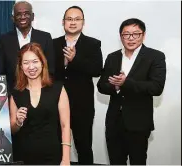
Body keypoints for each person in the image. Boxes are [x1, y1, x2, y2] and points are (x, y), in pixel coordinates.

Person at [97, 18, 166, 165]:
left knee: (138, 161)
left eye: (136, 34)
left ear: (143, 35)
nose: (131, 38)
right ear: (121, 36)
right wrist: (115, 86)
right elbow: (101, 86)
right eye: (126, 34)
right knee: (116, 161)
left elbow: (156, 87)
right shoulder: (112, 57)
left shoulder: (155, 57)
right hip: (114, 122)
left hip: (139, 123)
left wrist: (126, 83)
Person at [53, 6, 103, 164]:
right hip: (56, 103)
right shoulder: (53, 43)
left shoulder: (93, 44)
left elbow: (97, 70)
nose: (73, 22)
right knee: (56, 145)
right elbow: (48, 71)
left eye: (77, 19)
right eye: (69, 19)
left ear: (83, 22)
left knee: (84, 146)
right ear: (63, 22)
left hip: (83, 105)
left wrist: (75, 59)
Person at [9, 42, 70, 165]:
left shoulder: (58, 89)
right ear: (21, 66)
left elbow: (65, 125)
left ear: (42, 63)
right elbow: (12, 129)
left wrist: (66, 158)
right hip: (23, 156)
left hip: (52, 155)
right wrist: (18, 122)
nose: (31, 67)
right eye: (26, 63)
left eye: (35, 61)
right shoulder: (16, 93)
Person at [0, 1, 55, 91]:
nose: (22, 17)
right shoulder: (3, 40)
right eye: (19, 14)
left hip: (40, 92)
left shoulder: (45, 37)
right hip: (12, 94)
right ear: (13, 18)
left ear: (33, 16)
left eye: (26, 14)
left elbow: (50, 69)